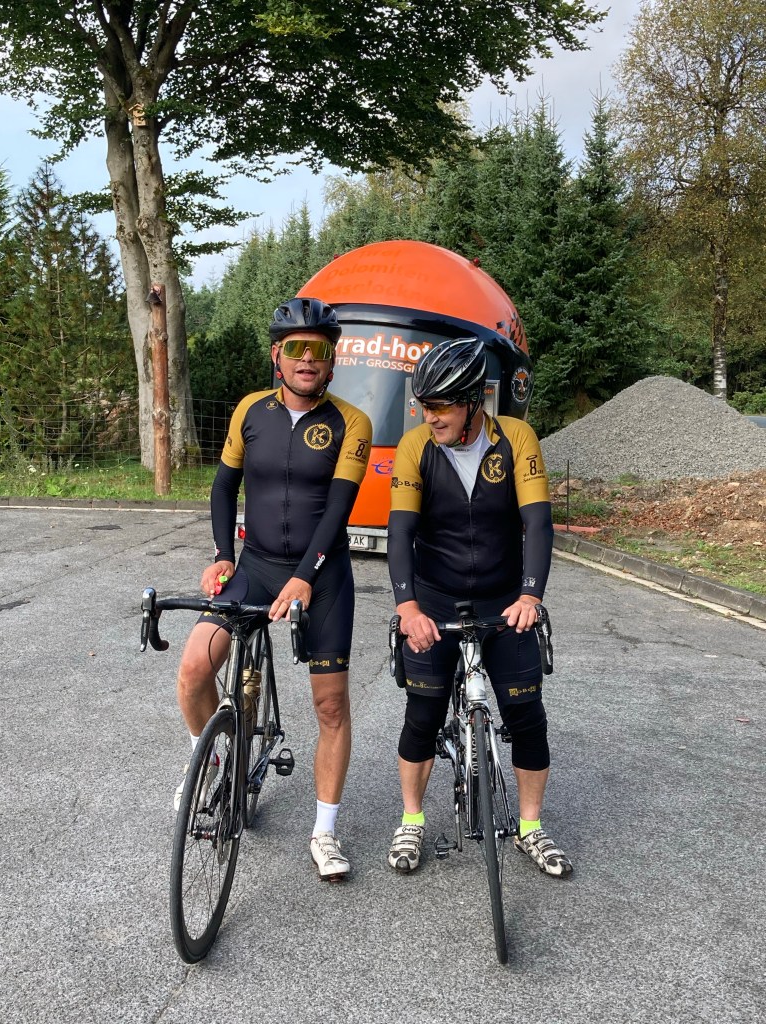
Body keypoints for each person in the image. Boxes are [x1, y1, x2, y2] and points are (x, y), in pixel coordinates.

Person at [174, 297, 372, 881]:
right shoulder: (250, 411)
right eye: (295, 348)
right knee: (193, 671)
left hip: (323, 574)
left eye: (319, 349)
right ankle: (213, 763)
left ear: (332, 361)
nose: (307, 358)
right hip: (255, 566)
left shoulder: (351, 422)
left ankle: (325, 832)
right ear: (276, 357)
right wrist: (222, 555)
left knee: (330, 706)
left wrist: (305, 577)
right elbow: (223, 486)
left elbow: (338, 510)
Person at [386, 337, 572, 877]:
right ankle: (412, 820)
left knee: (526, 716)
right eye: (423, 404)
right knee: (422, 714)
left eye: (440, 405)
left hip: (504, 599)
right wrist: (408, 606)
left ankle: (531, 828)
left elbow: (537, 522)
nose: (429, 415)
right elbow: (400, 532)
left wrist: (531, 596)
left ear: (472, 401)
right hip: (434, 599)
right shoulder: (416, 446)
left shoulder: (515, 438)